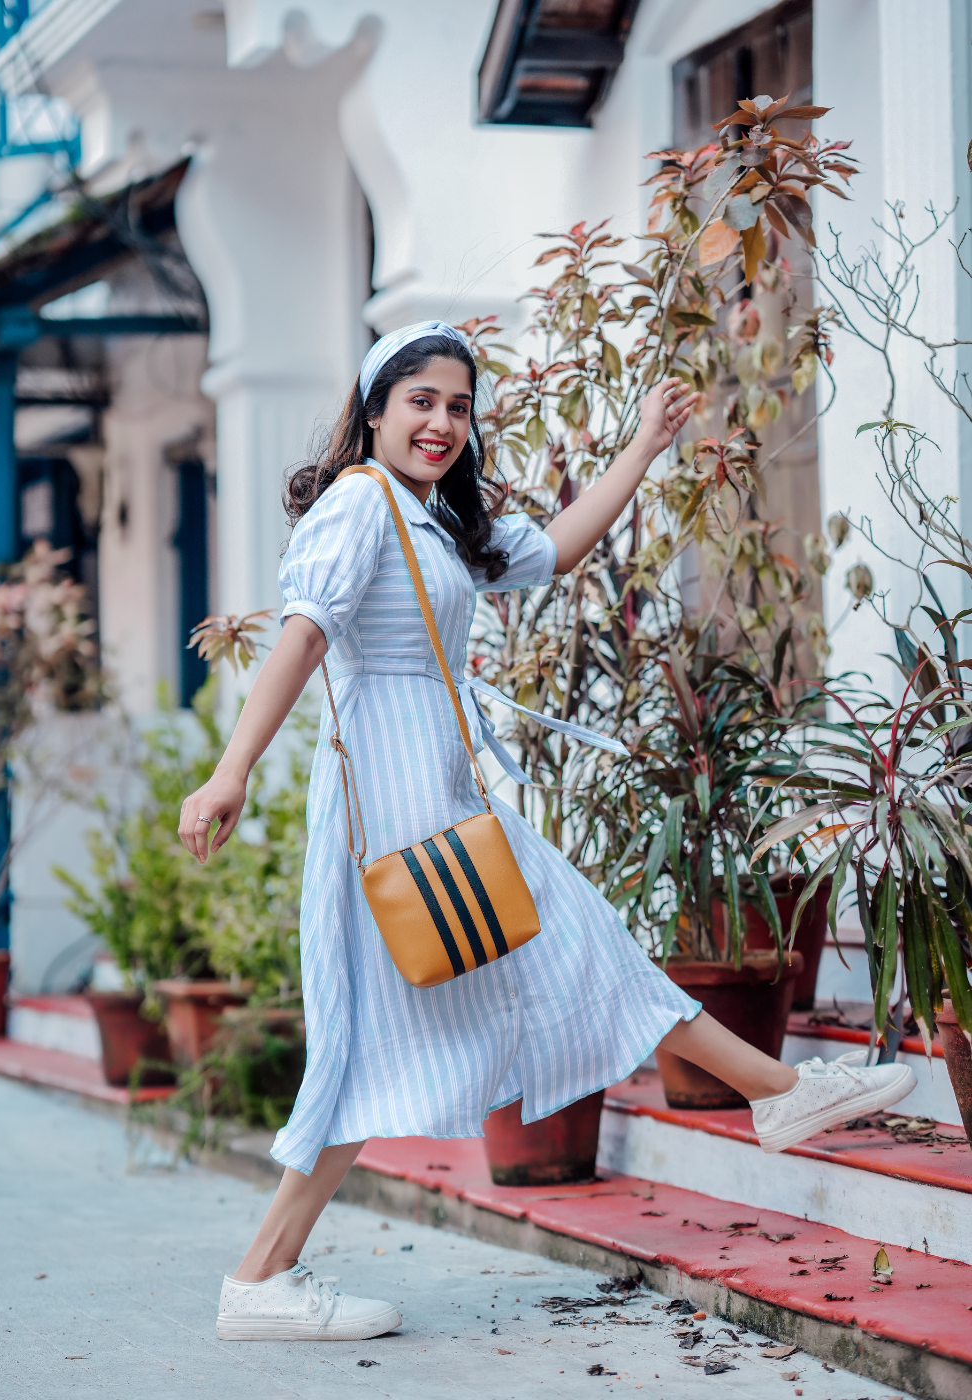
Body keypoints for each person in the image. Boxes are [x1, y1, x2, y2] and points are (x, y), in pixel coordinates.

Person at [179, 321, 915, 1343]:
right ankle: (260, 1274)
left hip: (441, 803)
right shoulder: (360, 502)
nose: (441, 421)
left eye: (459, 405)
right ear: (375, 410)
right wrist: (231, 769)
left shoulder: (429, 519)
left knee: (568, 957)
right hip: (396, 815)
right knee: (379, 1039)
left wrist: (646, 446)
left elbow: (555, 550)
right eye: (420, 401)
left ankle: (777, 1091)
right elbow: (303, 632)